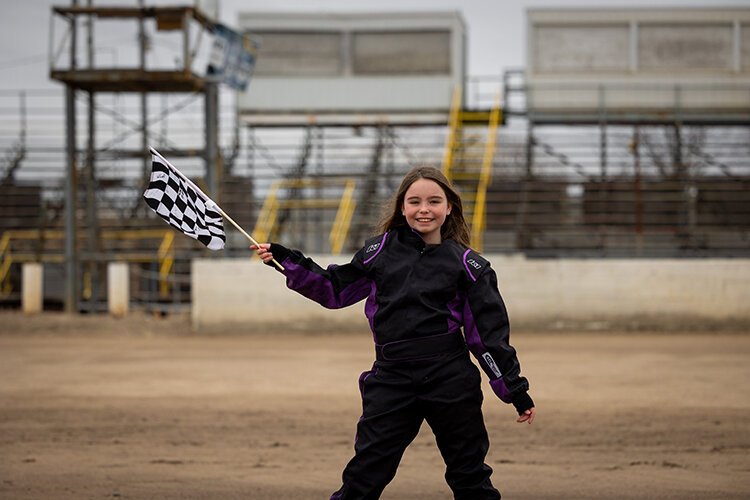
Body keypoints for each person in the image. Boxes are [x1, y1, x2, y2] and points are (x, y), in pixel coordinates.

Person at [251, 166, 535, 500]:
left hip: (450, 378)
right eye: (414, 201)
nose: (424, 209)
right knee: (365, 475)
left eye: (434, 201)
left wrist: (514, 389)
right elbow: (333, 290)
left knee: (469, 475)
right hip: (391, 379)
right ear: (402, 208)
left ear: (449, 208)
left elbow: (487, 337)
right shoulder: (378, 253)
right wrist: (285, 260)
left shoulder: (470, 267)